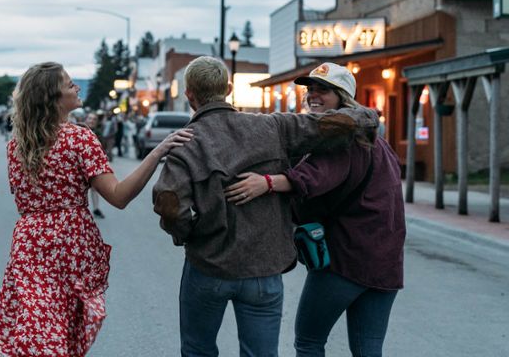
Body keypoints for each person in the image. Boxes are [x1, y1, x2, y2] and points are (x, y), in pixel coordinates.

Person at [152, 56, 378, 357]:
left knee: (197, 350)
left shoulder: (186, 143)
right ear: (229, 89)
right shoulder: (272, 126)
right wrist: (367, 116)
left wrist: (187, 234)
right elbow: (332, 124)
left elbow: (168, 202)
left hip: (208, 266)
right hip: (263, 269)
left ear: (189, 95)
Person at [0, 62, 192, 357]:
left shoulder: (16, 145)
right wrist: (157, 152)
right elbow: (119, 196)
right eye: (70, 84)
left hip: (28, 242)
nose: (77, 87)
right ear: (53, 97)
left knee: (34, 328)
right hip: (68, 245)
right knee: (61, 331)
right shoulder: (79, 139)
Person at [225, 62, 405, 357]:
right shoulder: (381, 144)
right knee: (369, 349)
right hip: (386, 265)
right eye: (311, 90)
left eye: (324, 90)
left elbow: (313, 178)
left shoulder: (342, 139)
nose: (313, 95)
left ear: (343, 97)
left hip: (346, 262)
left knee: (309, 341)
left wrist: (266, 183)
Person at [84, 112, 105, 219]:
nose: (91, 120)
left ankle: (96, 208)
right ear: (86, 119)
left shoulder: (98, 133)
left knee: (94, 188)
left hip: (93, 164)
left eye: (94, 119)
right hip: (80, 164)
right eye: (90, 118)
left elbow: (102, 150)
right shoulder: (80, 130)